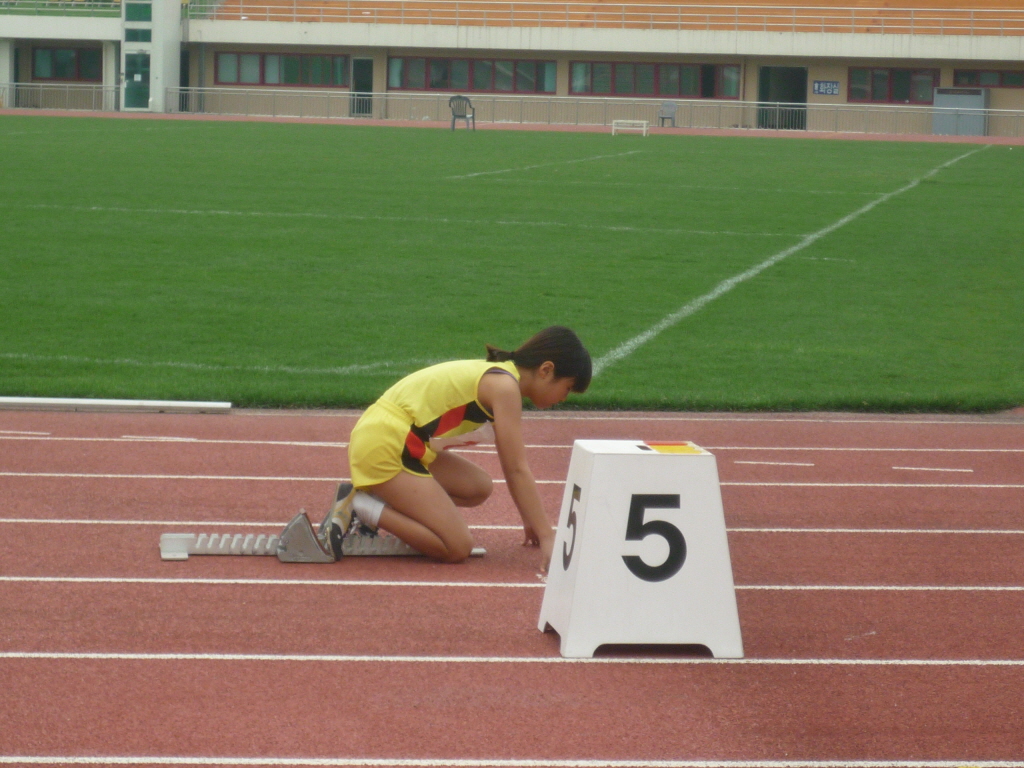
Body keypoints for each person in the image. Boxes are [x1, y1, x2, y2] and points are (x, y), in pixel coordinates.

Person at [318, 326, 591, 573]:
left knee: (477, 487)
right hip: (386, 443)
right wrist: (547, 535)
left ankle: (376, 501)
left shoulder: (502, 375)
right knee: (456, 547)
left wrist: (531, 519)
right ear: (546, 370)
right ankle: (360, 505)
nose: (563, 399)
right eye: (566, 389)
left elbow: (513, 467)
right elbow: (516, 468)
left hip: (397, 439)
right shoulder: (505, 387)